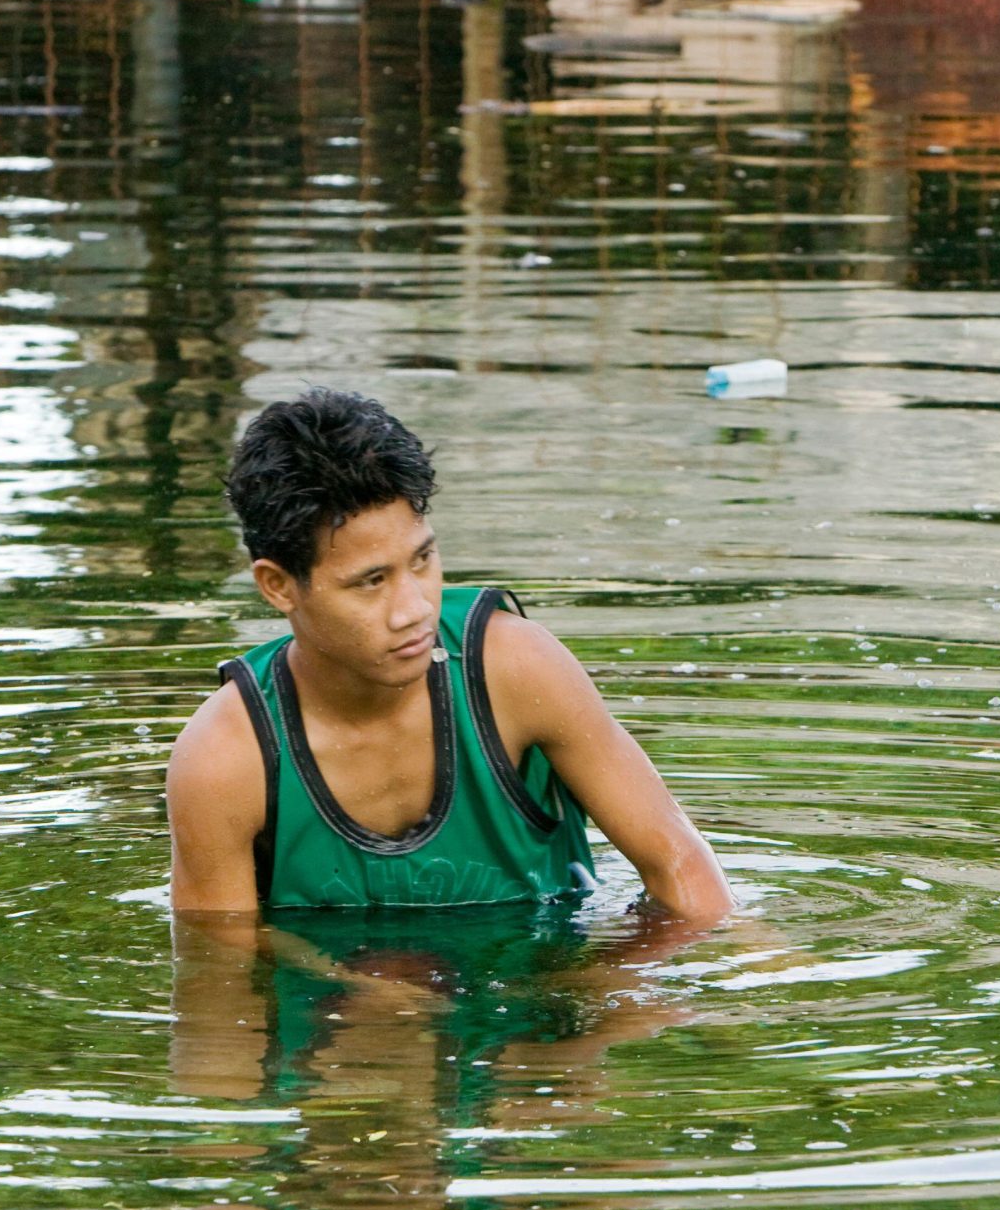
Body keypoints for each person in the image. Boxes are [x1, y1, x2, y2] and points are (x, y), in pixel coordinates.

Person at [167, 387, 732, 923]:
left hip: (550, 997)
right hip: (341, 1016)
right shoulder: (223, 760)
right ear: (278, 586)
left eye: (422, 560)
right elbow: (219, 974)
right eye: (370, 582)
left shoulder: (515, 670)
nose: (413, 609)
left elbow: (684, 874)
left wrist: (595, 1000)